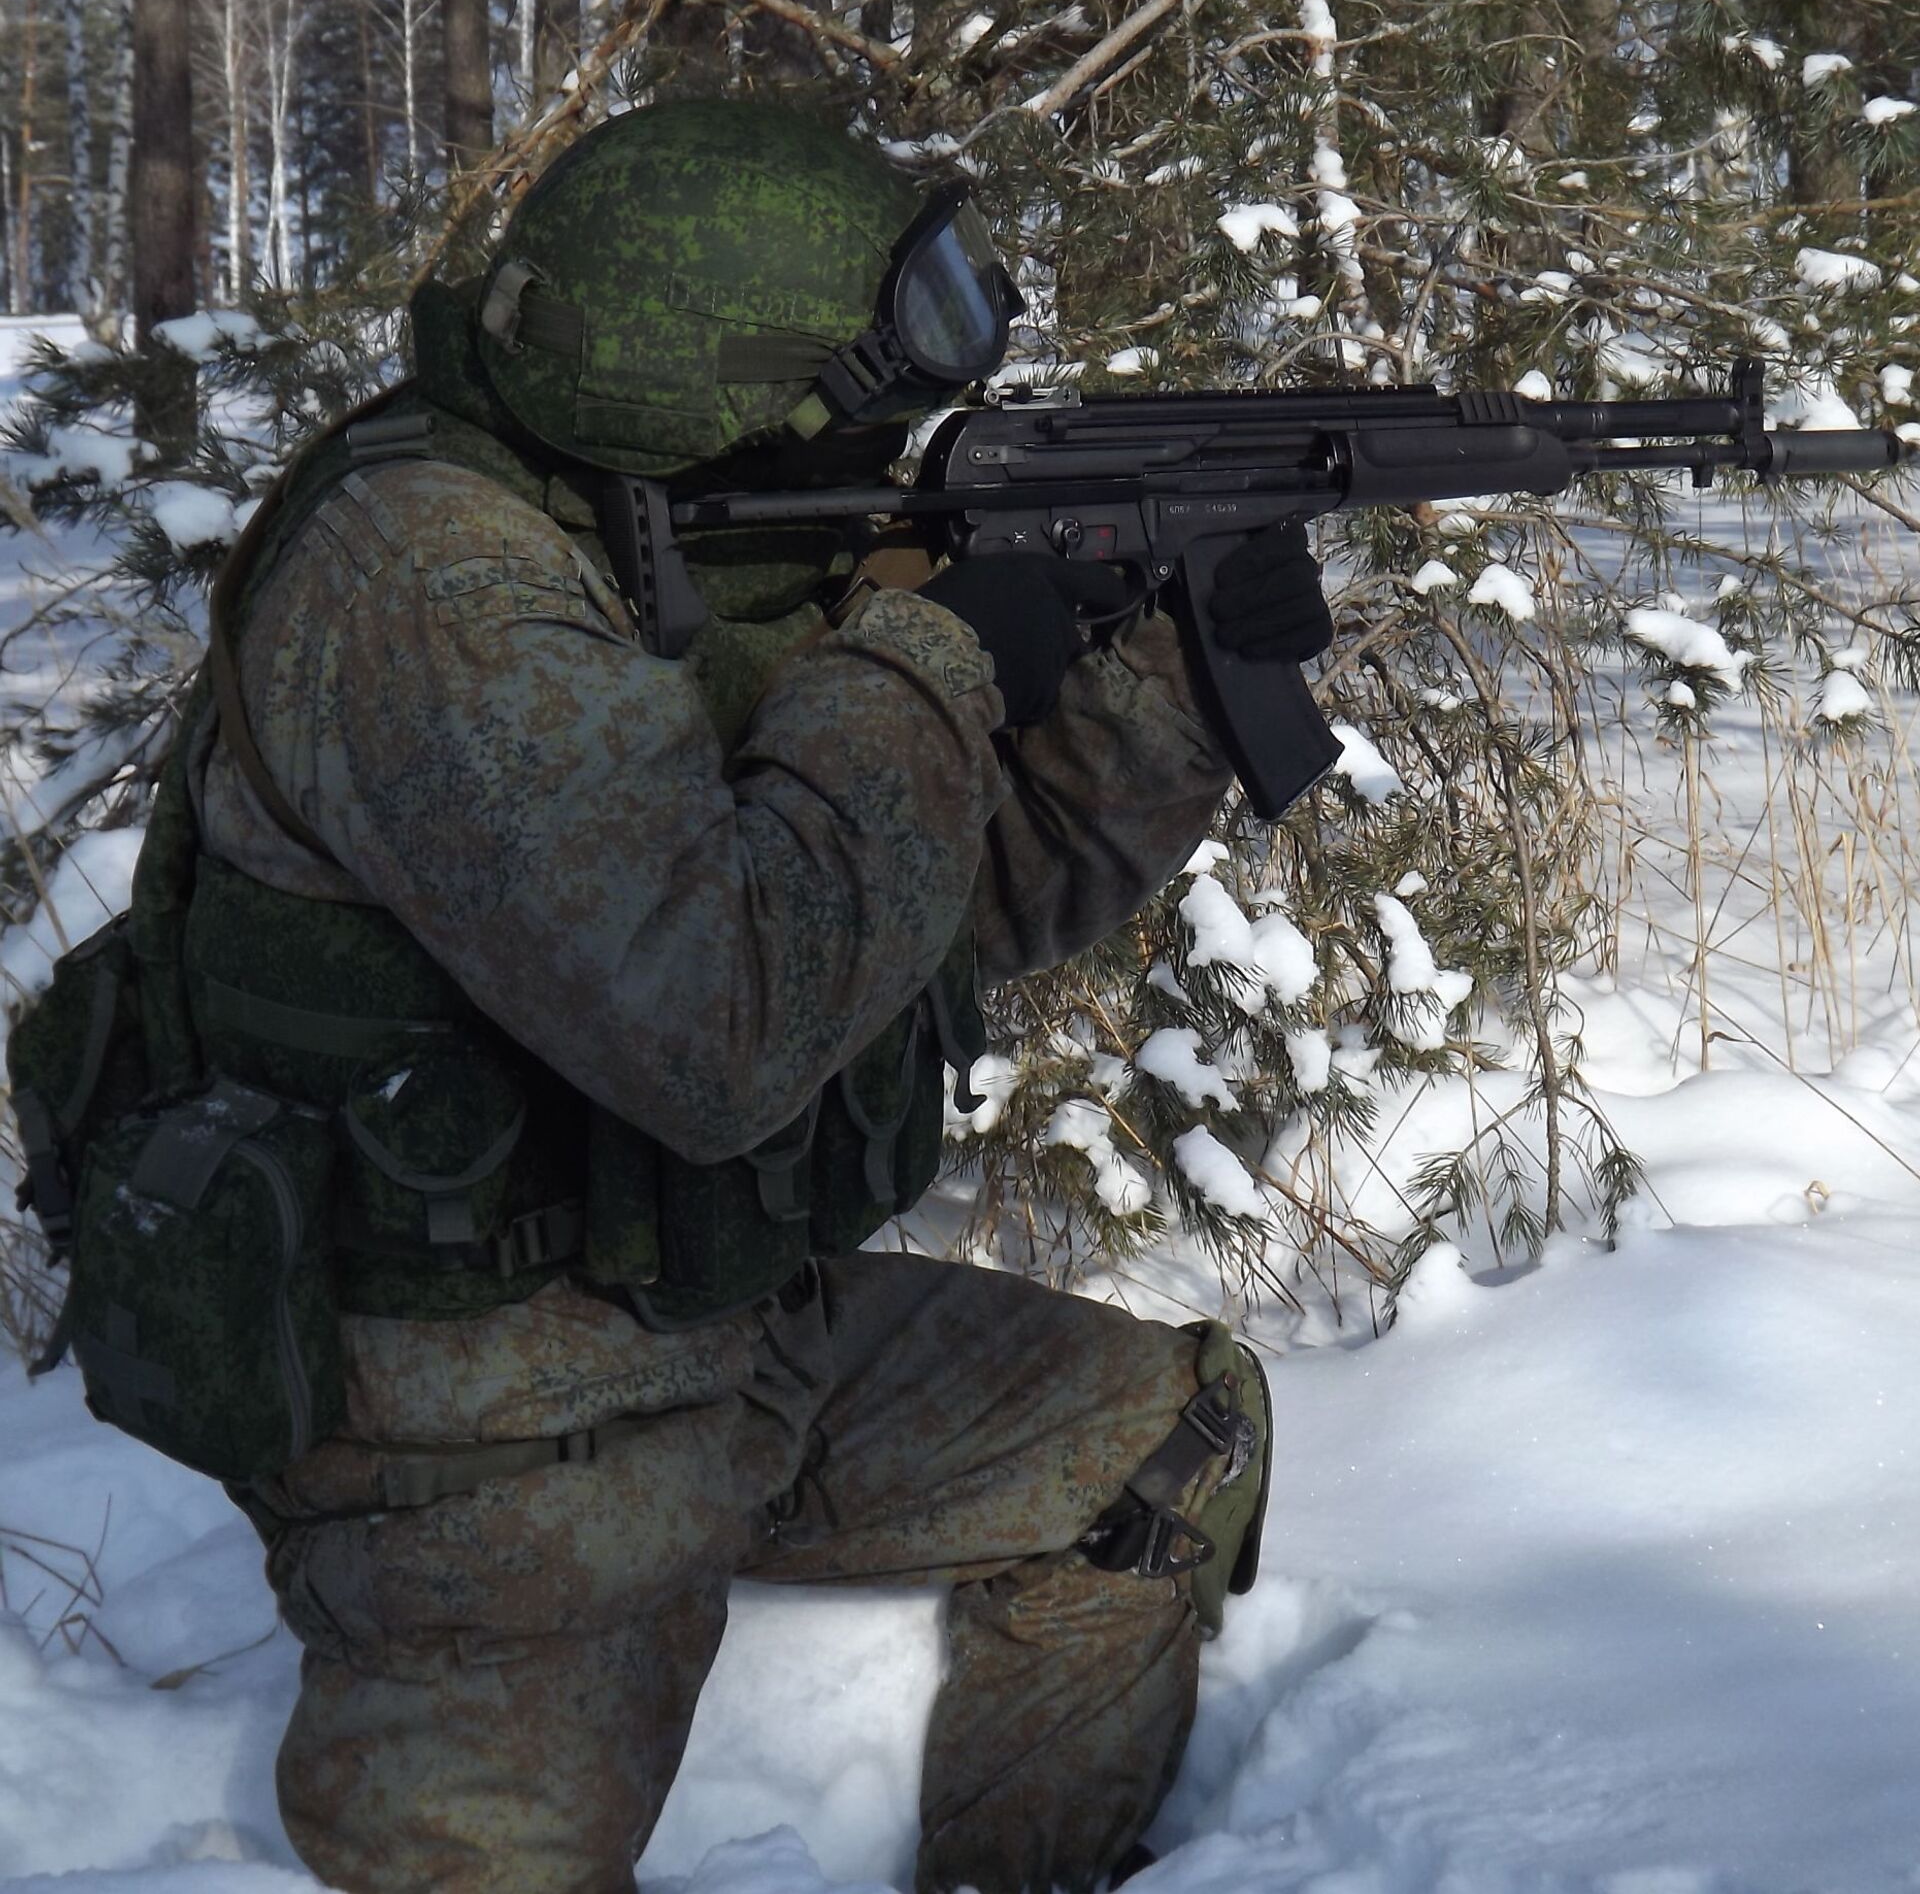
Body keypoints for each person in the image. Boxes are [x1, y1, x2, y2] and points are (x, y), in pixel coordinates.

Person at [156, 102, 1332, 1891]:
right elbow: (724, 1026)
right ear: (725, 385)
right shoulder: (431, 587)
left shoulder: (681, 534)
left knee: (1167, 1439)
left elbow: (943, 908)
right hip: (471, 1449)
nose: (904, 431)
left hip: (706, 1315)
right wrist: (931, 655)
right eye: (880, 377)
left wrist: (1178, 672)